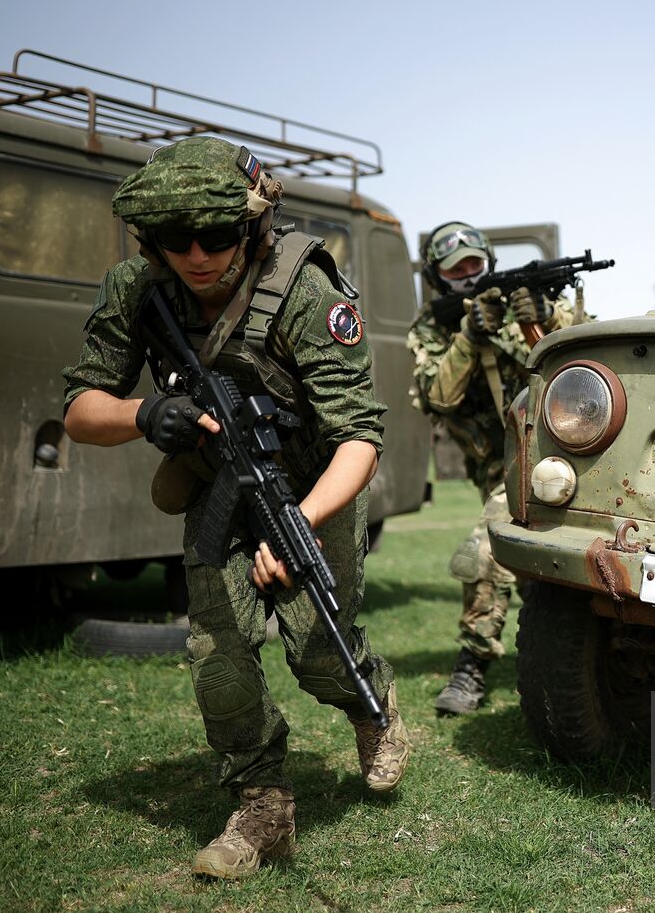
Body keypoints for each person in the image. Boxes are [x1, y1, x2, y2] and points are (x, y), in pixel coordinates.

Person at [62, 136, 411, 880]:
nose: (195, 255)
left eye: (216, 236)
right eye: (173, 239)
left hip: (314, 485)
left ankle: (370, 702)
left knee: (317, 649)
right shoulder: (135, 287)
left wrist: (301, 525)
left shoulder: (307, 290)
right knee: (217, 656)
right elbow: (79, 410)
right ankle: (264, 805)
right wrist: (146, 415)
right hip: (216, 482)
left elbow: (359, 437)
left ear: (253, 223)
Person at [407, 221, 580, 715]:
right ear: (439, 277)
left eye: (474, 264)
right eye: (454, 267)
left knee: (504, 553)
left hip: (563, 454)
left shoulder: (540, 309)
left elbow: (586, 371)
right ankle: (474, 667)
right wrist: (469, 335)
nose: (466, 273)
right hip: (498, 464)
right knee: (492, 552)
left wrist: (547, 321)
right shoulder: (432, 328)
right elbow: (438, 396)